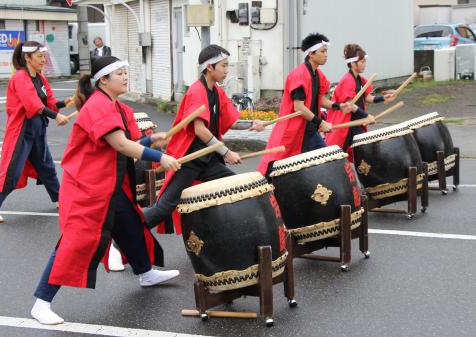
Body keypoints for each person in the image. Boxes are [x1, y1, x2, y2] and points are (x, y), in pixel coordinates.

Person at [30, 56, 181, 325]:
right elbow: (121, 146)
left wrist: (148, 140)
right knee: (74, 242)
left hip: (109, 184)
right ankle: (41, 302)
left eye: (126, 72)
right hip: (87, 187)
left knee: (131, 227)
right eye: (119, 73)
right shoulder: (98, 105)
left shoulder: (114, 105)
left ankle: (145, 273)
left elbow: (121, 143)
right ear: (103, 80)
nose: (125, 76)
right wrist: (160, 157)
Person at [143, 44, 264, 234]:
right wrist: (226, 152)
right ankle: (123, 238)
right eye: (223, 65)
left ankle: (227, 235)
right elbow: (199, 130)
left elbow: (231, 120)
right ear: (209, 67)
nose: (226, 70)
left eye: (227, 65)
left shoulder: (217, 91)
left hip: (208, 160)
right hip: (190, 159)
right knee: (165, 207)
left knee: (236, 187)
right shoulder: (197, 91)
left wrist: (251, 124)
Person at [0, 41, 71, 223]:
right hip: (21, 131)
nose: (43, 60)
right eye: (39, 56)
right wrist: (56, 117)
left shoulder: (40, 78)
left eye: (43, 56)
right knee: (12, 170)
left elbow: (48, 104)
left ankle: (60, 199)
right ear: (27, 57)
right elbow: (32, 104)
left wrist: (67, 102)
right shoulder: (20, 77)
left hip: (38, 130)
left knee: (47, 167)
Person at [257, 33, 353, 177]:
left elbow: (320, 100)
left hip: (309, 131)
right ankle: (262, 195)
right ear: (311, 54)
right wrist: (321, 122)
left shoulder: (318, 75)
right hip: (293, 131)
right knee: (276, 170)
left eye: (326, 52)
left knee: (328, 161)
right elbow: (299, 107)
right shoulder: (300, 75)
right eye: (323, 52)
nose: (326, 55)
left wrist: (339, 106)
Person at [325, 44, 397, 161]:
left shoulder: (360, 79)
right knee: (338, 156)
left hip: (356, 122)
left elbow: (368, 98)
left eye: (365, 61)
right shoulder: (347, 80)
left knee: (361, 154)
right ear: (353, 64)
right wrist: (366, 116)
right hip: (346, 125)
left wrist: (384, 98)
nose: (365, 64)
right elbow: (351, 105)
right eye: (362, 62)